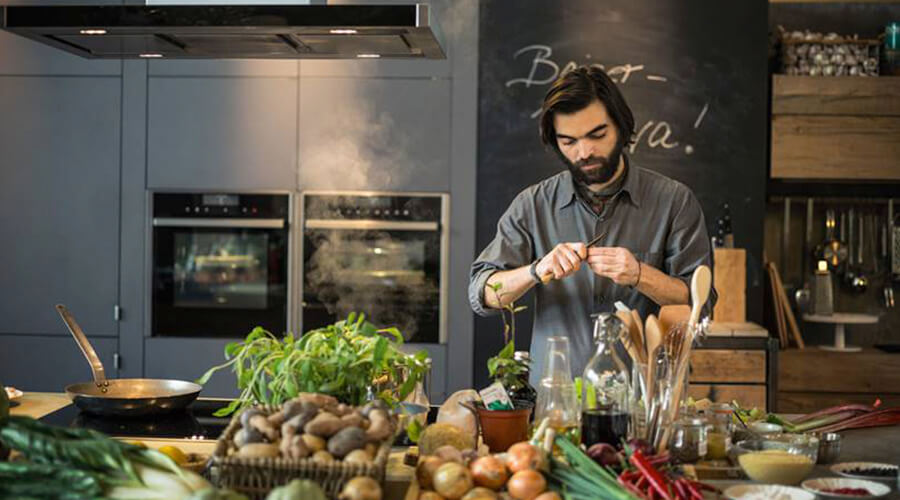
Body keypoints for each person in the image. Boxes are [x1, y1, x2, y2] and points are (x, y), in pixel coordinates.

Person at [469, 65, 717, 382]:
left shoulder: (675, 201)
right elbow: (482, 294)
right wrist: (534, 271)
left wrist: (641, 275)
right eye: (568, 141)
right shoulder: (532, 204)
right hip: (555, 406)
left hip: (643, 406)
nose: (584, 152)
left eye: (597, 135)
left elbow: (701, 304)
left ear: (621, 127)